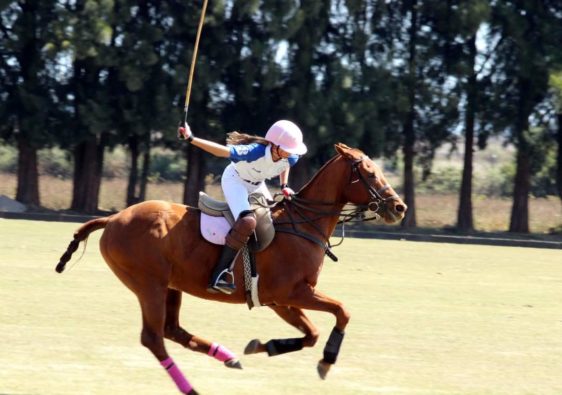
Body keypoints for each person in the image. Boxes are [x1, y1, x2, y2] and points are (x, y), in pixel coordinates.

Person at [178, 120, 308, 294]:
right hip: (235, 181)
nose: (291, 154)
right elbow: (222, 152)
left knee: (275, 219)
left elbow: (286, 165)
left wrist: (284, 185)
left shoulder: (289, 156)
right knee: (247, 222)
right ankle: (220, 274)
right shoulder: (255, 151)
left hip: (257, 185)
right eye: (288, 149)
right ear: (274, 145)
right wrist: (191, 138)